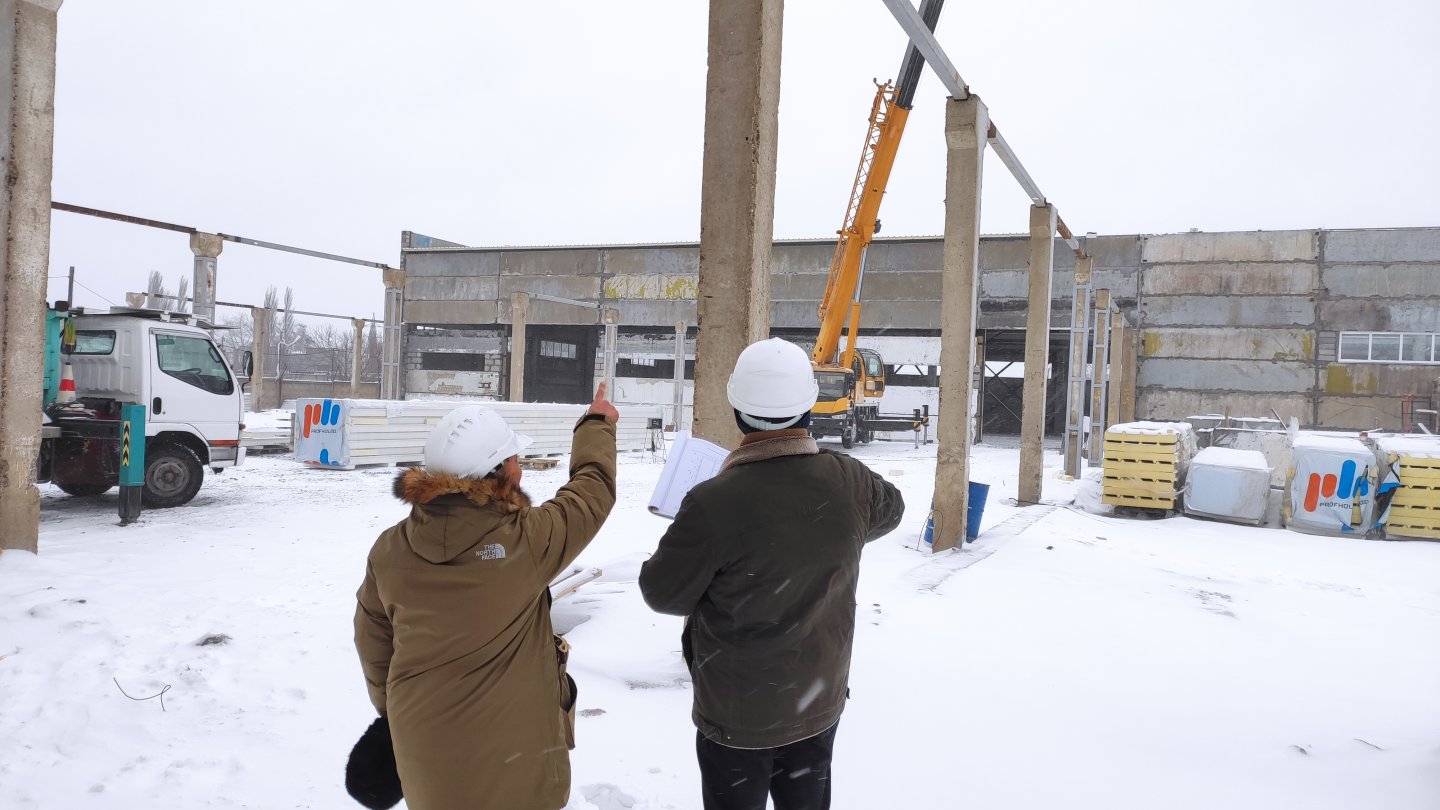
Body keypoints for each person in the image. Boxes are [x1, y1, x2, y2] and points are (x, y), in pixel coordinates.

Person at [638, 338, 905, 810]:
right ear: (809, 406)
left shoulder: (713, 502)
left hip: (739, 715)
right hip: (817, 701)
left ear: (737, 409)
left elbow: (663, 593)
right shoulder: (850, 481)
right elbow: (891, 510)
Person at [353, 383, 619, 810]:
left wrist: (398, 711)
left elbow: (372, 641)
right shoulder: (526, 542)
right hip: (520, 771)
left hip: (425, 761)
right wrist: (596, 424)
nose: (520, 469)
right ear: (497, 473)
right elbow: (592, 491)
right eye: (515, 460)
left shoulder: (389, 550)